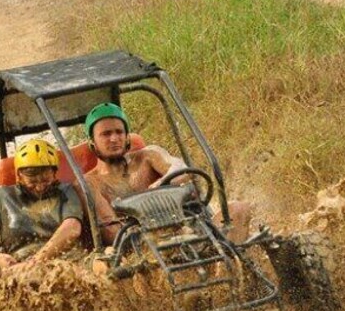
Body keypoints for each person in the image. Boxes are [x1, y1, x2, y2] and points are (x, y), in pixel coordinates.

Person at [82, 103, 252, 244]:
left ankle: (230, 273)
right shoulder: (90, 182)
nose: (114, 139)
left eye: (119, 132)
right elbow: (112, 231)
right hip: (141, 244)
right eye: (106, 134)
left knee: (239, 209)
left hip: (189, 228)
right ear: (92, 142)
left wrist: (163, 182)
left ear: (127, 136)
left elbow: (180, 167)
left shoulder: (147, 156)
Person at [0, 139, 83, 272]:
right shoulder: (1, 195)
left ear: (54, 174)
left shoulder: (66, 191)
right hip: (17, 265)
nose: (39, 187)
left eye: (46, 180)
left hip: (65, 261)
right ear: (18, 176)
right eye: (32, 181)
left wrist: (37, 261)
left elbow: (72, 228)